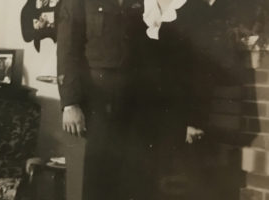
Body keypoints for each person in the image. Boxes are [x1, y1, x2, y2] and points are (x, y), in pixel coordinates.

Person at [57, 0, 219, 199]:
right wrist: (70, 102)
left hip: (136, 106)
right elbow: (67, 49)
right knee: (98, 180)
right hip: (97, 104)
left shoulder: (144, 2)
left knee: (132, 181)